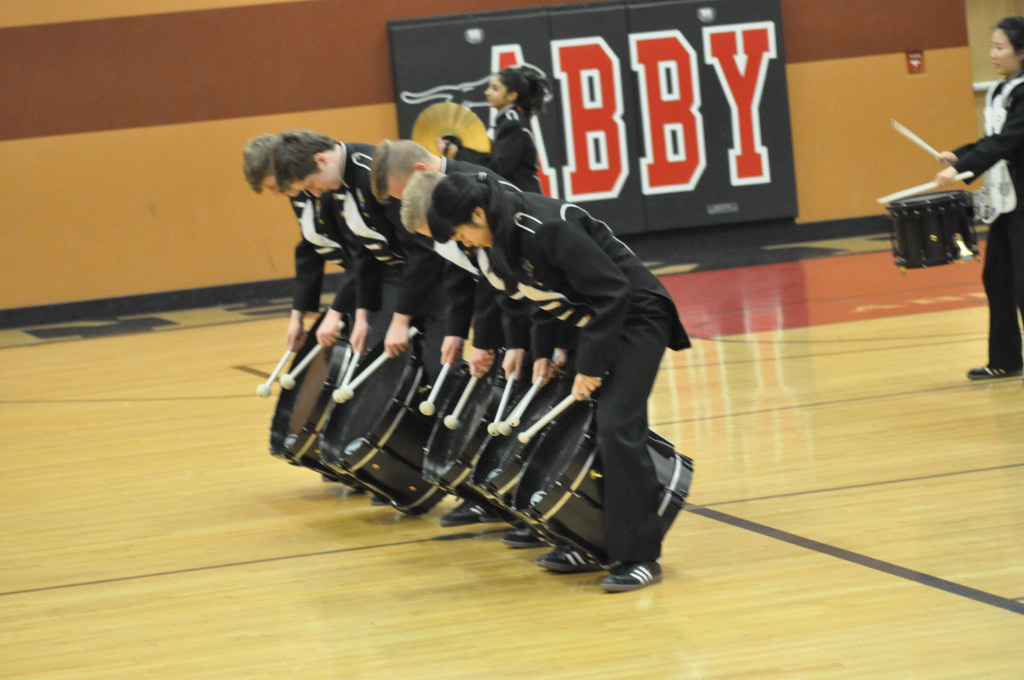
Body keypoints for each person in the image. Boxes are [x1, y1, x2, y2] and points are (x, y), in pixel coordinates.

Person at [424, 171, 690, 592]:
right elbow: (541, 301)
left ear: (477, 213)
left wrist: (592, 367)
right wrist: (552, 351)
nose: (464, 242)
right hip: (591, 324)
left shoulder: (545, 226)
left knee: (617, 427)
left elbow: (612, 292)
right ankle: (587, 539)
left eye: (461, 232)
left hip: (637, 317)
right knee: (569, 428)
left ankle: (639, 556)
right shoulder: (495, 239)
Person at [936, 16, 1024, 382]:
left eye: (1000, 47)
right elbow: (992, 139)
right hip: (1007, 202)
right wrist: (960, 155)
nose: (992, 53)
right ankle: (1005, 359)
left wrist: (963, 171)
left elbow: (1007, 142)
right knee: (999, 277)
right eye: (992, 46)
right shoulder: (1003, 90)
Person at [243, 134, 355, 351]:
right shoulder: (299, 195)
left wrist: (336, 312)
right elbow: (309, 248)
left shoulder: (327, 188)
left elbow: (361, 257)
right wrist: (298, 315)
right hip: (358, 282)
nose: (276, 194)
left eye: (274, 186)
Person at [439, 65, 551, 193]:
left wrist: (458, 154)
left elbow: (495, 169)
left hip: (525, 199)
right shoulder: (506, 121)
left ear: (511, 96)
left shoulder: (513, 124)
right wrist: (460, 149)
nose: (487, 92)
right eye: (489, 87)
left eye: (495, 89)